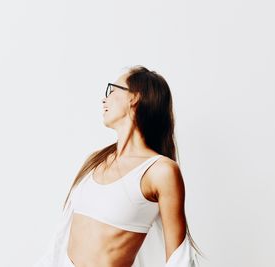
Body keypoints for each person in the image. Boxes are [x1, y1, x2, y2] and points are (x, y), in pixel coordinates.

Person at [34, 66, 203, 267]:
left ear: (135, 98)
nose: (104, 99)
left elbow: (179, 259)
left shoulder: (160, 171)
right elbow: (60, 238)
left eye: (112, 90)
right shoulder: (95, 161)